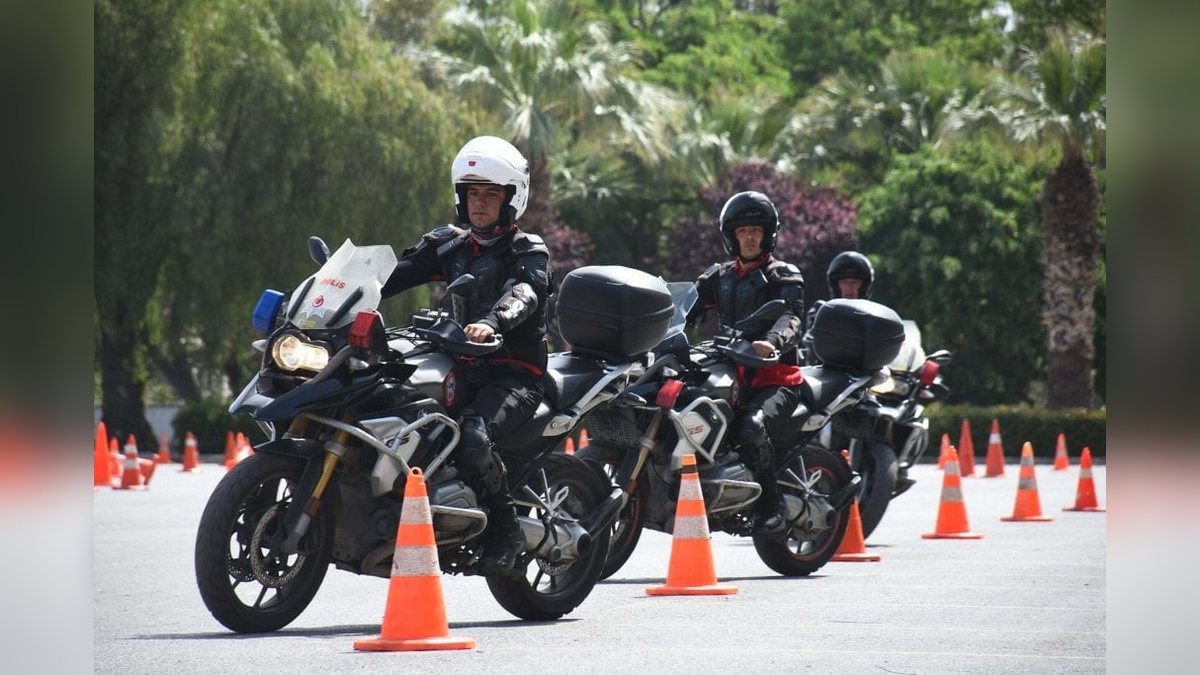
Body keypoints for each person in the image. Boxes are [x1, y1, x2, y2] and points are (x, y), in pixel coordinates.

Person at [381, 135, 552, 576]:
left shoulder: (527, 250)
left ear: (511, 198)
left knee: (473, 435)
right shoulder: (450, 245)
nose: (479, 203)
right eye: (472, 193)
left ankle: (505, 531)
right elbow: (392, 276)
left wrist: (494, 321)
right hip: (461, 363)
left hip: (515, 373)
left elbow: (525, 293)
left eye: (491, 194)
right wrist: (332, 294)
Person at [685, 191, 805, 536]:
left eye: (755, 230)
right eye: (742, 231)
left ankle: (773, 507)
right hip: (730, 370)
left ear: (767, 234)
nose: (749, 237)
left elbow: (791, 318)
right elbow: (683, 310)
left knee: (750, 427)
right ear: (731, 237)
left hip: (776, 378)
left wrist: (773, 343)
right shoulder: (718, 277)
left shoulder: (783, 275)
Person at [802, 250, 875, 364]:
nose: (849, 287)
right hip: (830, 373)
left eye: (855, 282)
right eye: (844, 281)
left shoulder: (874, 315)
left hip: (867, 372)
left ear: (864, 285)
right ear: (836, 284)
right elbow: (811, 342)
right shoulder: (822, 312)